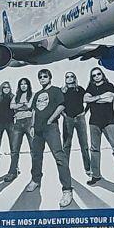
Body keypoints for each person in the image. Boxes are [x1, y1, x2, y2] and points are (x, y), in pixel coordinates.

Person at [26, 68, 74, 207]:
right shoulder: (37, 94)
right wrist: (32, 126)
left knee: (59, 156)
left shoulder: (56, 91)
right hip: (38, 129)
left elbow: (61, 106)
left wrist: (51, 119)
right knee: (36, 156)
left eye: (45, 76)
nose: (42, 79)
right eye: (40, 77)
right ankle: (36, 180)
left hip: (50, 128)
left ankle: (67, 190)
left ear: (50, 77)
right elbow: (34, 111)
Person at [84, 68, 114, 188]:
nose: (96, 76)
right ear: (91, 77)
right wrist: (101, 97)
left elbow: (109, 98)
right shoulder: (90, 88)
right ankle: (96, 176)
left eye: (98, 74)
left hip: (109, 121)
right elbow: (85, 99)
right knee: (94, 150)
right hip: (94, 122)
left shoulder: (109, 86)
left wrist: (94, 99)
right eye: (94, 75)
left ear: (102, 74)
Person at [60, 71, 92, 176]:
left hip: (80, 119)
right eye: (67, 77)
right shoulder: (62, 91)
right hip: (68, 119)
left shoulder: (80, 89)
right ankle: (65, 170)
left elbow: (89, 101)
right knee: (66, 145)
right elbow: (58, 104)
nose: (69, 78)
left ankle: (88, 168)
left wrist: (84, 112)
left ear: (74, 78)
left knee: (84, 144)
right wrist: (63, 114)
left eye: (71, 76)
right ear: (65, 79)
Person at [0, 80, 19, 181]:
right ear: (1, 89)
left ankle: (15, 167)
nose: (6, 89)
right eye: (4, 87)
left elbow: (16, 109)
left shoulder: (13, 97)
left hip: (11, 124)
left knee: (13, 146)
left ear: (10, 88)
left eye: (7, 87)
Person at [13, 76, 34, 159]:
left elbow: (29, 106)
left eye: (25, 84)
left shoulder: (32, 94)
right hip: (18, 122)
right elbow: (11, 106)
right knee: (15, 149)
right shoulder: (16, 96)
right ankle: (13, 167)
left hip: (29, 121)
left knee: (33, 147)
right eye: (21, 84)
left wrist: (18, 107)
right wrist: (23, 105)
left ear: (28, 85)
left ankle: (35, 167)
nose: (23, 86)